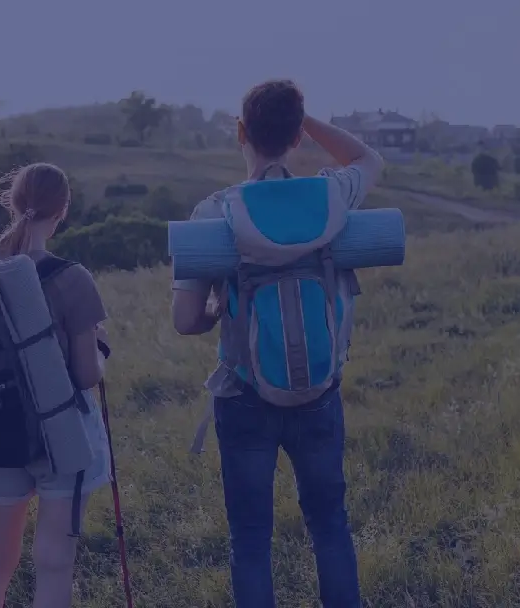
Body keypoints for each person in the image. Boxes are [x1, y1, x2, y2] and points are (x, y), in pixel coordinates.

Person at [172, 80, 383, 608]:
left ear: (241, 132)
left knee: (250, 540)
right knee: (330, 527)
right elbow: (367, 157)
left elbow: (185, 319)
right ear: (295, 139)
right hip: (319, 392)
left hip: (244, 395)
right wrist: (304, 120)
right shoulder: (330, 195)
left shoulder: (215, 212)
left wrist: (219, 310)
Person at [0, 162, 111, 608]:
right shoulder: (73, 278)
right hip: (59, 433)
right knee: (54, 560)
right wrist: (101, 350)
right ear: (62, 210)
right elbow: (85, 376)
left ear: (12, 201)